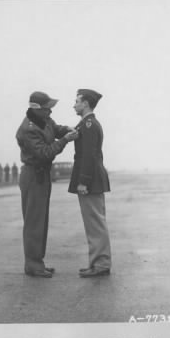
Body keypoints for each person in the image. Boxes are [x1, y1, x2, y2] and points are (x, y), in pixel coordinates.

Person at [16, 91, 78, 278]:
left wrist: (68, 129)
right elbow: (45, 153)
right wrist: (65, 140)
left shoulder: (44, 121)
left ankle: (37, 261)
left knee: (41, 221)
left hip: (42, 175)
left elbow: (55, 128)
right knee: (34, 222)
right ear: (36, 108)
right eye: (47, 108)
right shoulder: (28, 129)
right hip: (33, 175)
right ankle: (33, 264)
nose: (50, 112)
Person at [68, 89, 111, 277]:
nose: (74, 104)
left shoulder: (88, 124)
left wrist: (83, 181)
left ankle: (101, 264)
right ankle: (97, 262)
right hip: (93, 179)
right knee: (94, 223)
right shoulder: (86, 124)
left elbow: (89, 156)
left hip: (90, 180)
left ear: (85, 103)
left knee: (95, 223)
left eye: (77, 101)